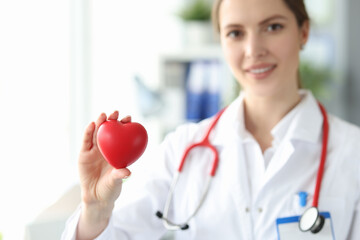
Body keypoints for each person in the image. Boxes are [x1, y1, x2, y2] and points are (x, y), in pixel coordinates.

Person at [62, 0, 360, 239]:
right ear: (221, 40)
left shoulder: (352, 152)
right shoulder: (183, 149)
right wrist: (96, 209)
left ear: (303, 32)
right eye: (235, 33)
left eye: (272, 27)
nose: (253, 50)